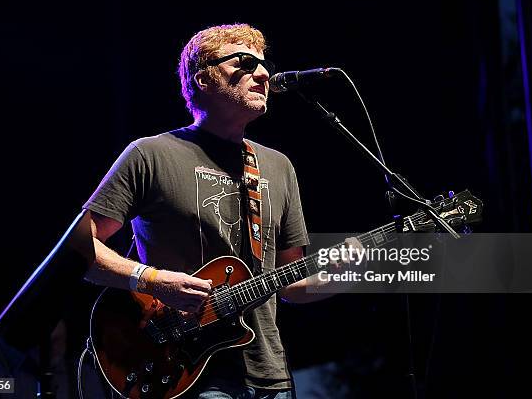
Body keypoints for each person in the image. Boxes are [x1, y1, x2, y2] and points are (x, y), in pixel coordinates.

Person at [83, 23, 343, 399]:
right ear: (202, 79)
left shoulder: (278, 166)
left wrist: (346, 276)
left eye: (264, 64)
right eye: (244, 62)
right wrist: (152, 279)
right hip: (182, 369)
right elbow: (81, 250)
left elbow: (290, 284)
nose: (264, 73)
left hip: (268, 374)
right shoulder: (151, 154)